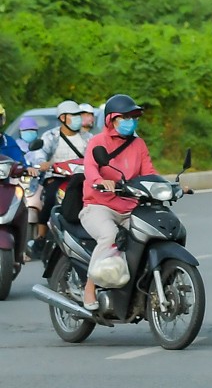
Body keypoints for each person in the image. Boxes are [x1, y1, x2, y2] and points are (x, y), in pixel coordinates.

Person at [79, 94, 157, 312]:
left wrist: (166, 186)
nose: (130, 121)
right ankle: (90, 286)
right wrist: (99, 182)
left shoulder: (138, 144)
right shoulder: (97, 142)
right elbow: (90, 168)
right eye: (124, 117)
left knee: (149, 235)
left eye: (133, 117)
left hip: (130, 206)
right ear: (111, 119)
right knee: (110, 236)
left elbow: (148, 172)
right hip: (99, 205)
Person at [29, 100, 91, 246]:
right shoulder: (50, 136)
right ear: (62, 118)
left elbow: (95, 156)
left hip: (82, 179)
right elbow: (40, 154)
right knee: (50, 199)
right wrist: (42, 163)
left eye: (78, 115)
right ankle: (41, 238)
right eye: (73, 115)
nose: (77, 118)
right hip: (57, 178)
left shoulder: (88, 138)